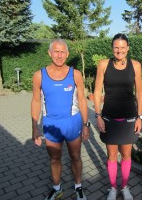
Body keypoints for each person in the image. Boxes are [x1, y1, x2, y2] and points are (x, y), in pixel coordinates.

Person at [31, 39, 90, 200]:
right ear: (49, 53)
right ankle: (57, 188)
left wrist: (86, 124)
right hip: (51, 124)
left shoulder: (75, 74)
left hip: (72, 123)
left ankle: (78, 187)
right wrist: (34, 127)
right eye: (56, 51)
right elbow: (36, 101)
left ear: (67, 54)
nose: (59, 55)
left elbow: (83, 100)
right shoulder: (39, 76)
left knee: (75, 156)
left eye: (62, 51)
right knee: (55, 158)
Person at [93, 33, 142, 200]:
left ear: (128, 48)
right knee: (112, 155)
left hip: (129, 117)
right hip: (109, 117)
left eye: (122, 47)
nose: (119, 50)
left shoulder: (135, 65)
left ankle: (125, 186)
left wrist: (139, 117)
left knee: (127, 155)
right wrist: (98, 115)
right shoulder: (103, 65)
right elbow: (97, 90)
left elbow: (140, 93)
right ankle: (113, 188)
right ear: (112, 48)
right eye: (116, 47)